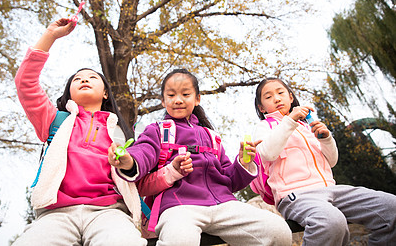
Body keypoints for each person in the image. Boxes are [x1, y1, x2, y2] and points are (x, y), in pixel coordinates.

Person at [109, 69, 292, 246]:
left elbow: (229, 180)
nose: (178, 100)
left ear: (197, 99)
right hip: (179, 206)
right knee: (181, 240)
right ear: (163, 101)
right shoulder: (157, 131)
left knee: (278, 232)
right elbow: (143, 152)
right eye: (171, 95)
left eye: (185, 94)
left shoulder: (212, 136)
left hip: (224, 204)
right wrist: (128, 160)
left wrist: (243, 162)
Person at [13, 18, 146, 246]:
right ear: (69, 94)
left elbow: (139, 175)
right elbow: (25, 82)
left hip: (109, 212)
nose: (85, 78)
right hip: (57, 214)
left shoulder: (121, 133)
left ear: (106, 93)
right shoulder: (55, 121)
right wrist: (50, 36)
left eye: (93, 77)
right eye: (78, 79)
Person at [253, 77, 396, 246]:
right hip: (296, 196)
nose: (276, 98)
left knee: (391, 208)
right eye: (268, 97)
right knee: (332, 222)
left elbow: (332, 161)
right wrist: (290, 121)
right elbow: (268, 153)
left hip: (332, 189)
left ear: (291, 97)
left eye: (280, 92)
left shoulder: (307, 126)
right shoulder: (264, 128)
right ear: (261, 107)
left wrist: (327, 138)